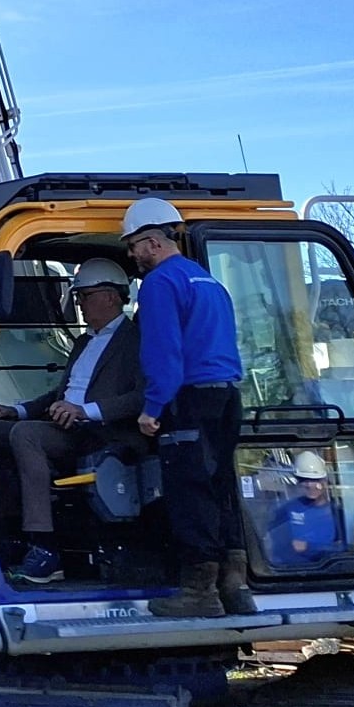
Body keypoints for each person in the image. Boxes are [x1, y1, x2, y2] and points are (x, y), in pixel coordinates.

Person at [124, 197, 256, 617]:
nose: (132, 255)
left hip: (189, 399)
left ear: (153, 242)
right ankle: (235, 586)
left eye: (133, 246)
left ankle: (199, 591)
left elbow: (164, 352)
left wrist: (152, 407)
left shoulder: (160, 284)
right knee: (221, 488)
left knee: (189, 493)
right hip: (226, 396)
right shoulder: (208, 282)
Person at [0, 259, 144, 585]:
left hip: (100, 432)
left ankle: (44, 548)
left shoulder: (136, 340)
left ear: (110, 297)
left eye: (84, 296)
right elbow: (61, 392)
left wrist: (85, 411)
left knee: (27, 435)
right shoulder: (85, 341)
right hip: (67, 426)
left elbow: (141, 397)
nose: (79, 304)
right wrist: (19, 410)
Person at [268, 450, 344, 567]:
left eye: (314, 480)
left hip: (331, 571)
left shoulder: (338, 512)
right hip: (294, 571)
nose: (309, 485)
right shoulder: (286, 510)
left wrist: (309, 547)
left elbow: (346, 548)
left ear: (324, 481)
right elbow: (277, 547)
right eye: (304, 480)